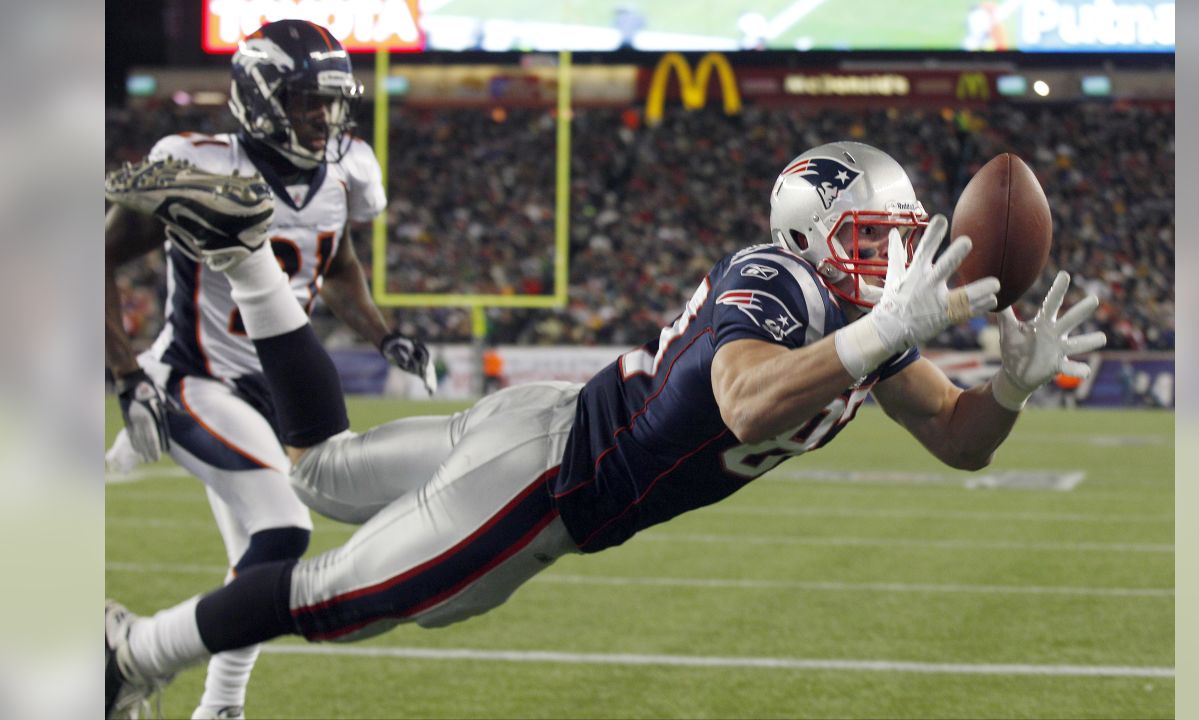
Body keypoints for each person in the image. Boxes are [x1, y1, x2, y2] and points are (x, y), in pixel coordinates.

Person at [104, 141, 1105, 718]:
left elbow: (957, 439)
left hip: (542, 429)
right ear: (810, 235)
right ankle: (127, 658)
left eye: (898, 243)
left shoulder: (863, 329)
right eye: (872, 243)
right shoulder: (779, 280)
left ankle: (245, 261)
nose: (892, 267)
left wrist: (1009, 391)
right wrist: (888, 326)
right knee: (333, 599)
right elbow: (746, 398)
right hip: (546, 484)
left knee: (318, 469)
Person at [104, 20, 437, 720]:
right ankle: (124, 653)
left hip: (271, 394)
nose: (324, 116)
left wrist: (385, 335)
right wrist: (126, 373)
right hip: (195, 379)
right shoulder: (196, 161)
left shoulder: (348, 170)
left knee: (258, 555)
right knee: (285, 532)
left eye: (331, 101)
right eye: (304, 100)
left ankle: (219, 708)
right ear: (258, 98)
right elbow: (95, 255)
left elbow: (337, 264)